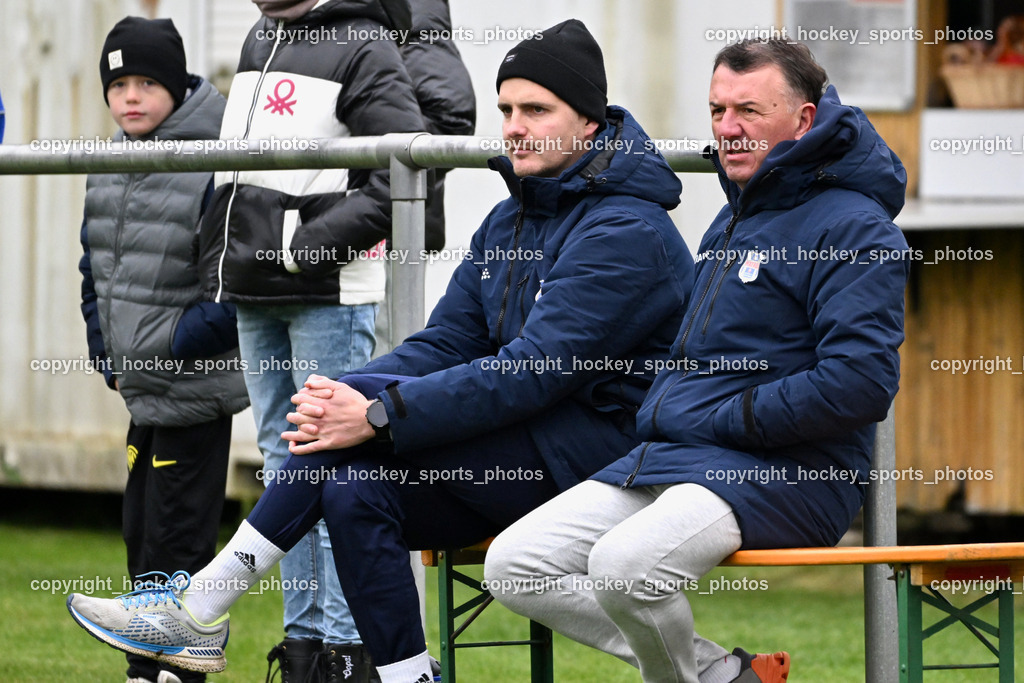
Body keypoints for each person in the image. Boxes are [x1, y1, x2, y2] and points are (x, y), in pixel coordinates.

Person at [67, 18, 695, 683]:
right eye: (507, 107)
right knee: (355, 489)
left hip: (607, 462)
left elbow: (527, 375)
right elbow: (452, 339)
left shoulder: (627, 229)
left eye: (536, 109)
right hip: (530, 443)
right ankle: (404, 676)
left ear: (590, 123)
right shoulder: (513, 216)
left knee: (356, 442)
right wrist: (348, 390)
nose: (513, 125)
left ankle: (199, 608)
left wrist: (373, 414)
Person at [483, 38, 911, 683]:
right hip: (681, 457)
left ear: (804, 118)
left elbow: (859, 385)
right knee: (515, 565)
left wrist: (724, 417)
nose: (729, 130)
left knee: (626, 569)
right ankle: (723, 677)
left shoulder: (857, 226)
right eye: (717, 112)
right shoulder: (732, 217)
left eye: (749, 112)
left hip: (793, 471)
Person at [194, 1, 426, 678]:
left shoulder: (363, 40)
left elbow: (406, 170)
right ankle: (303, 651)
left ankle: (347, 653)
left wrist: (301, 247)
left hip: (325, 291)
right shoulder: (261, 32)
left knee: (328, 466)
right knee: (282, 465)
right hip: (252, 287)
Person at [77, 16, 249, 683]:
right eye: (118, 83)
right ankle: (145, 666)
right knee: (140, 532)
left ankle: (179, 669)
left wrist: (169, 346)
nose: (131, 96)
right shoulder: (109, 163)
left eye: (147, 81)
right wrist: (108, 353)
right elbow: (92, 270)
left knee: (178, 540)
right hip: (142, 389)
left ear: (176, 85)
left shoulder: (215, 157)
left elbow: (234, 284)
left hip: (190, 392)